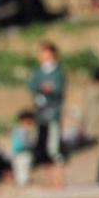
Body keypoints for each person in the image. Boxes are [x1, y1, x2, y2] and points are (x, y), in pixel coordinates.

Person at [26, 41, 67, 188]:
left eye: (46, 53)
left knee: (54, 148)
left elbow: (58, 90)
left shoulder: (57, 72)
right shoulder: (38, 72)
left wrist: (50, 89)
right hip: (40, 115)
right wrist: (41, 88)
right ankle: (50, 181)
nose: (43, 56)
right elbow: (31, 85)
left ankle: (59, 180)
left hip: (53, 115)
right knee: (41, 148)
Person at [10, 109, 38, 187]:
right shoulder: (23, 130)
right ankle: (23, 185)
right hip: (23, 153)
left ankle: (21, 185)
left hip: (17, 153)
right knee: (23, 172)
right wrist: (34, 145)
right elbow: (25, 143)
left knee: (20, 172)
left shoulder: (17, 129)